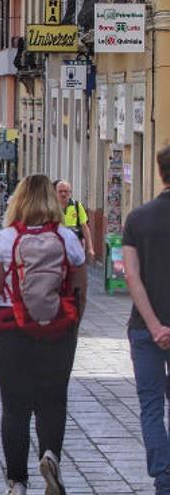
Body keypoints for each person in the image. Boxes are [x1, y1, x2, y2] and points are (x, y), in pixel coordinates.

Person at [0, 174, 87, 495]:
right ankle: (50, 456)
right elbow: (79, 293)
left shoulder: (5, 239)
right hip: (57, 332)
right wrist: (70, 330)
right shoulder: (68, 239)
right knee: (53, 400)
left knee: (14, 407)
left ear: (18, 199)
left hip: (10, 333)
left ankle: (17, 482)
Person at [122, 145, 170, 495]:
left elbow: (132, 277)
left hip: (144, 330)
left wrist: (154, 325)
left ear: (160, 173)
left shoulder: (137, 218)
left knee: (151, 407)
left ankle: (164, 479)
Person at [55, 180, 95, 259]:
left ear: (70, 193)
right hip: (57, 246)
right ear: (55, 193)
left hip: (75, 246)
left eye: (65, 191)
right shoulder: (51, 207)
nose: (63, 194)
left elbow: (85, 227)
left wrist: (90, 248)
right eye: (60, 191)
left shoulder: (77, 206)